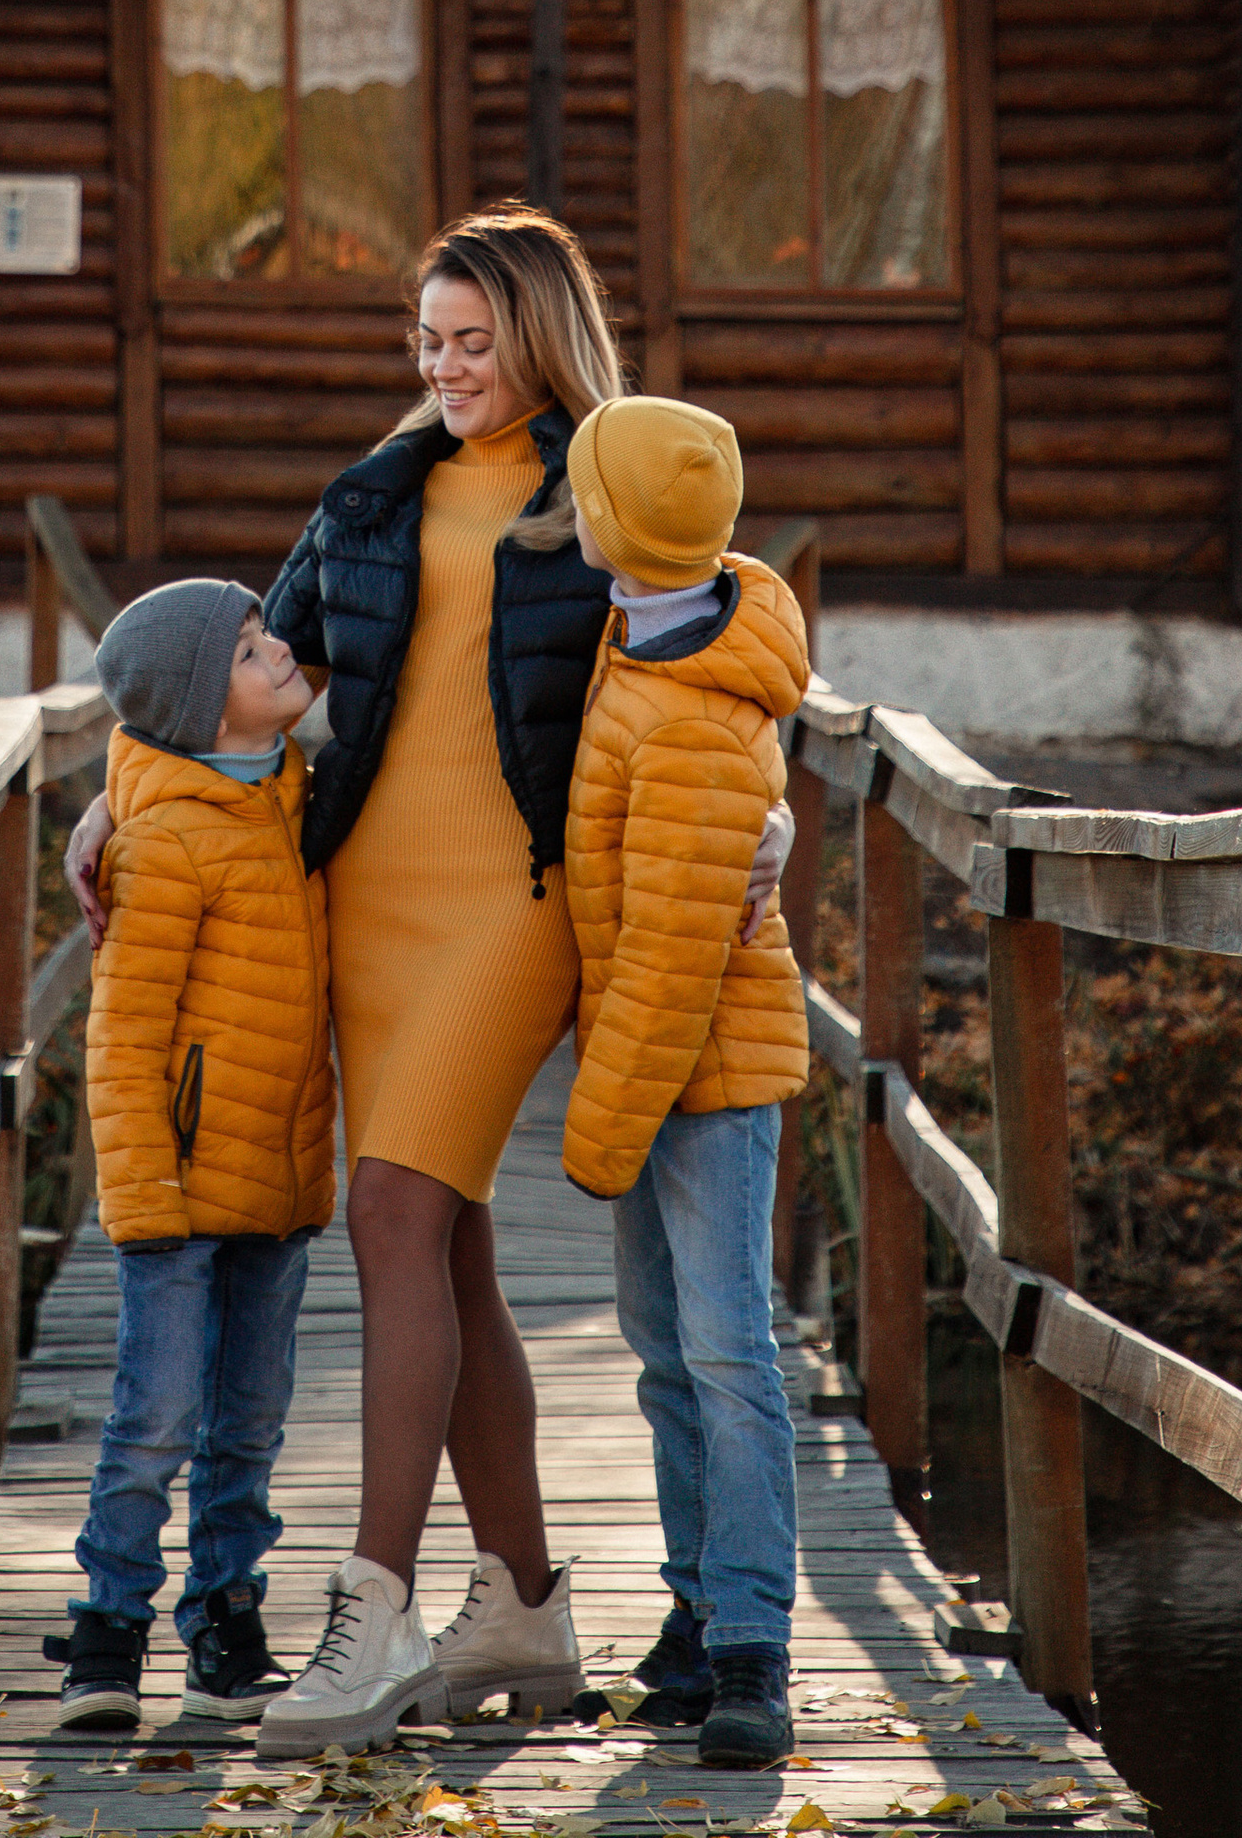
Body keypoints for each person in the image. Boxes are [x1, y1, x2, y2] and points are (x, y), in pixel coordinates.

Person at [70, 203, 625, 1755]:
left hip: (518, 904)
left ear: (535, 334)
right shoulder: (376, 495)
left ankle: (372, 1613)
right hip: (363, 902)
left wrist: (766, 806)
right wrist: (119, 792)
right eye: (428, 341)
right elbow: (233, 665)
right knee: (448, 1253)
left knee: (389, 1208)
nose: (444, 367)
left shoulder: (609, 479)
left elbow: (711, 656)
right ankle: (521, 1602)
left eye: (471, 340)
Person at [559, 393, 811, 1772]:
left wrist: (599, 1130)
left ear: (612, 526)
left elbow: (669, 962)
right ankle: (696, 1604)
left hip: (694, 1076)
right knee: (667, 1357)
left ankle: (754, 1649)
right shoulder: (652, 628)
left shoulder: (691, 715)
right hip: (653, 1064)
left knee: (724, 1352)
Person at [58, 579, 335, 1732]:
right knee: (156, 1416)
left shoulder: (297, 796)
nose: (279, 650)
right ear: (194, 703)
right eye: (250, 647)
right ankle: (108, 1634)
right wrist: (141, 1190)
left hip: (279, 1170)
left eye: (267, 633)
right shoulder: (166, 839)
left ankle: (225, 1626)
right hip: (176, 1180)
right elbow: (121, 1031)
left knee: (251, 1419)